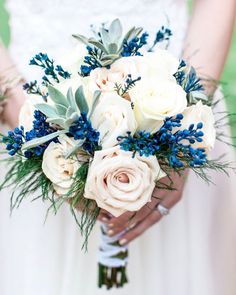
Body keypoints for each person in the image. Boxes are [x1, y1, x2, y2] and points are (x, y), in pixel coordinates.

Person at [0, 0, 236, 294]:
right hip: (31, 113)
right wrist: (34, 128)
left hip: (175, 110)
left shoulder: (183, 129)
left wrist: (182, 136)